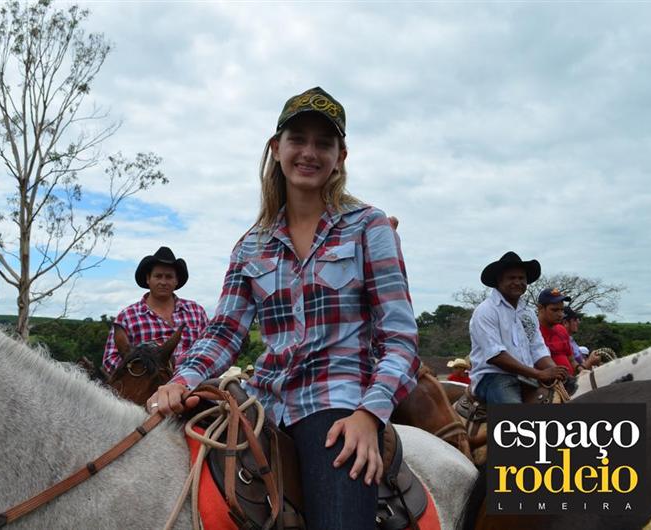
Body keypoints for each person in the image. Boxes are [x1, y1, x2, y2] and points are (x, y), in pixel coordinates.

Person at [148, 86, 420, 529]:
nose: (309, 152)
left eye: (323, 143)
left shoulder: (369, 226)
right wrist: (182, 380)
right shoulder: (250, 245)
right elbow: (224, 333)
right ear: (277, 148)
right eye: (298, 140)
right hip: (261, 402)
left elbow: (400, 337)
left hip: (336, 403)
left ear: (340, 156)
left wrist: (370, 414)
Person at [468, 252, 568, 404]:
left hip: (526, 377)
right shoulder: (486, 310)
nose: (517, 282)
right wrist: (539, 374)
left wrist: (555, 371)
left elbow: (537, 348)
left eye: (522, 278)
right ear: (499, 281)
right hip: (493, 377)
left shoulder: (528, 313)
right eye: (511, 278)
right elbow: (495, 355)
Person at [102, 246, 208, 374]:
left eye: (169, 277)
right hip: (145, 383)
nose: (163, 282)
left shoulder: (196, 312)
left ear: (176, 280)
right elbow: (110, 360)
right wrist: (141, 372)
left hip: (194, 381)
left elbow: (210, 347)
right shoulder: (128, 317)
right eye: (158, 276)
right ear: (148, 279)